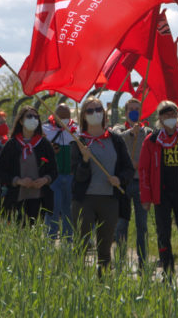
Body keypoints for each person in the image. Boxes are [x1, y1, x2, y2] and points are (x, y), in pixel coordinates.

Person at [71, 97, 135, 274]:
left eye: (98, 109)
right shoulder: (78, 141)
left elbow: (129, 169)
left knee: (105, 247)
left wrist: (119, 179)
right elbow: (77, 176)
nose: (95, 113)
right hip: (85, 200)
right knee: (81, 245)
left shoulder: (115, 140)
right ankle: (78, 282)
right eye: (90, 111)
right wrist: (84, 161)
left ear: (104, 113)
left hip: (109, 200)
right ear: (83, 115)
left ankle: (103, 284)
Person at [139, 100, 178, 276]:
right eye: (167, 115)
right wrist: (145, 197)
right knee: (163, 232)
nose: (171, 118)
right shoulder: (152, 140)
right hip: (161, 192)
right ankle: (167, 270)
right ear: (160, 117)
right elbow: (144, 169)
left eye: (174, 114)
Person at [0, 106, 57, 225]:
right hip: (16, 198)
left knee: (34, 235)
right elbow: (0, 172)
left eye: (36, 117)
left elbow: (54, 170)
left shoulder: (44, 144)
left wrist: (45, 179)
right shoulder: (11, 145)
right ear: (21, 120)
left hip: (39, 199)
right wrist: (18, 181)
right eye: (29, 116)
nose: (33, 119)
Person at [112, 98, 151, 267]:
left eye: (137, 109)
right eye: (131, 109)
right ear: (126, 112)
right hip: (124, 184)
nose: (134, 112)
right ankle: (120, 262)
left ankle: (143, 263)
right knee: (121, 225)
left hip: (142, 184)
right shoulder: (120, 129)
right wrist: (131, 133)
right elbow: (116, 139)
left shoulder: (148, 131)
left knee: (142, 226)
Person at [43, 104, 78, 240]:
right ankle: (50, 239)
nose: (64, 119)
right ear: (54, 115)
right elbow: (40, 155)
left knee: (68, 210)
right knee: (52, 209)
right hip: (53, 177)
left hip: (70, 176)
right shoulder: (45, 130)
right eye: (61, 116)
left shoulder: (75, 130)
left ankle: (68, 241)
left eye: (66, 117)